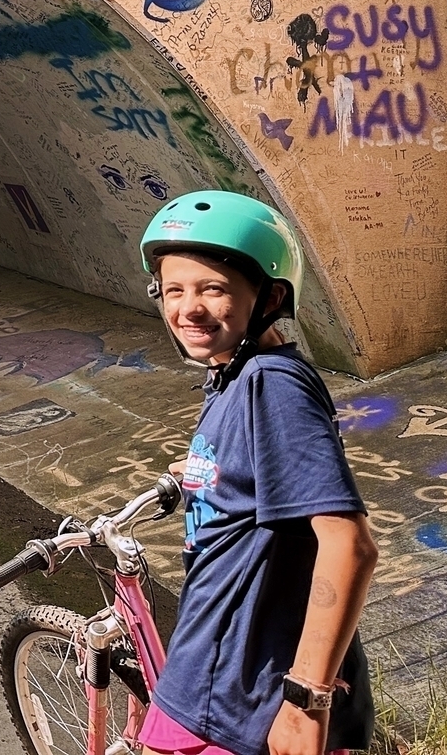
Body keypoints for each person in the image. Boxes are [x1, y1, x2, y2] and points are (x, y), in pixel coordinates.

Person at [137, 191, 379, 755]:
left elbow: (351, 545)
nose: (187, 309)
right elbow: (272, 479)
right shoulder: (234, 372)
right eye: (174, 290)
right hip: (217, 675)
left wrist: (305, 702)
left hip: (236, 699)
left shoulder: (270, 385)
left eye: (213, 289)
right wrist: (213, 472)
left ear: (269, 297)